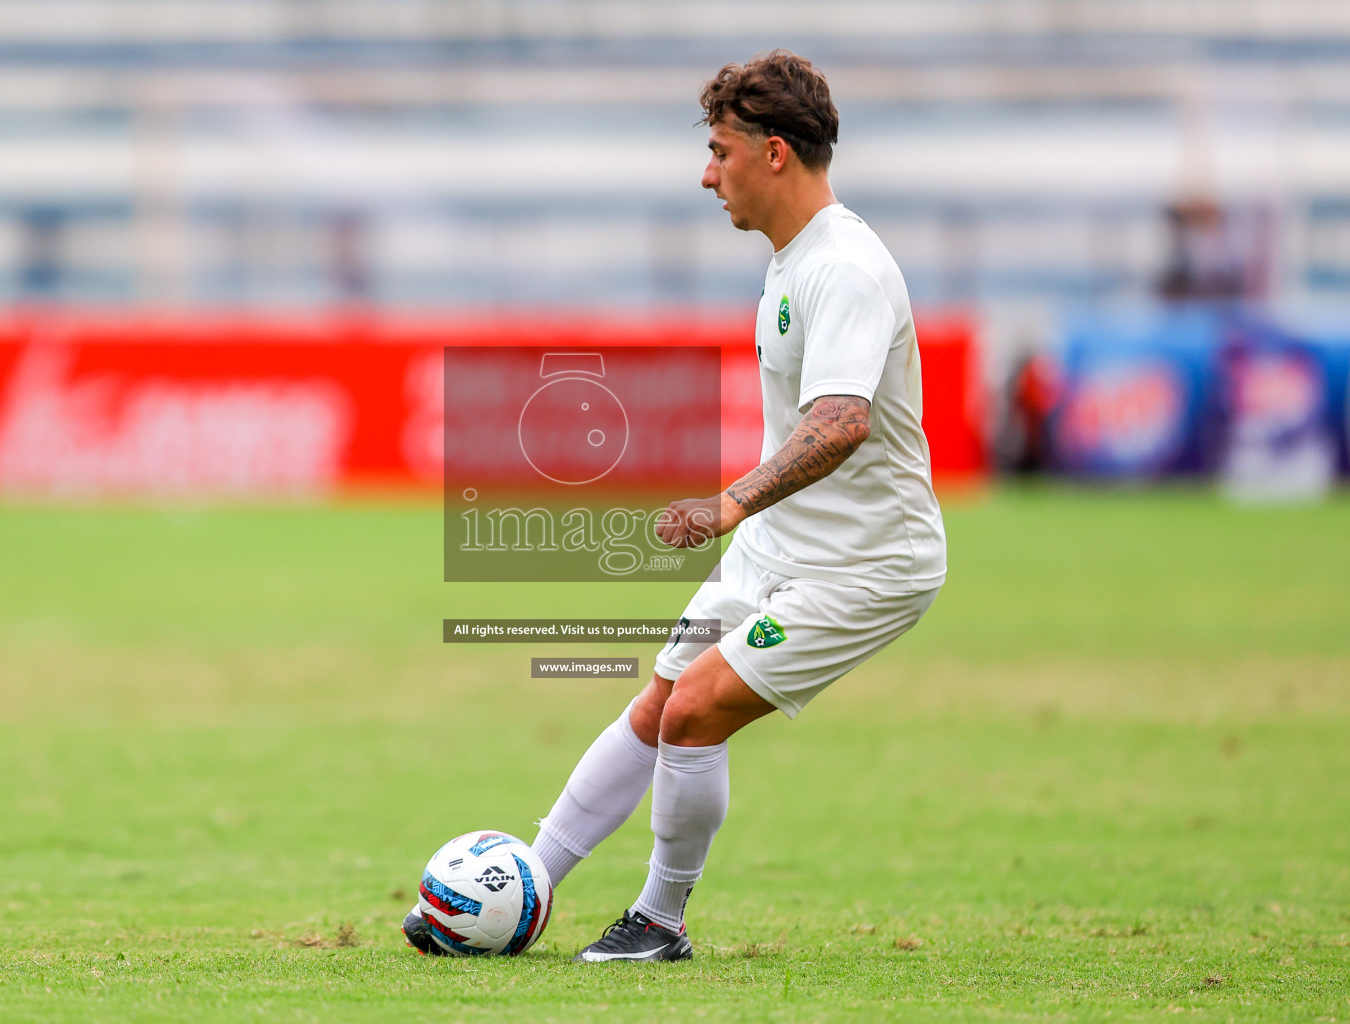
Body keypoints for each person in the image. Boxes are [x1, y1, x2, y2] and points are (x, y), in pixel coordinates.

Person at [405, 49, 947, 962]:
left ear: (775, 153)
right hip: (781, 551)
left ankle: (659, 921)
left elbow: (844, 421)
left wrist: (730, 502)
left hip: (863, 566)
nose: (707, 174)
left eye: (720, 152)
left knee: (696, 711)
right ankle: (519, 890)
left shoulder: (844, 266)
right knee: (658, 707)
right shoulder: (793, 260)